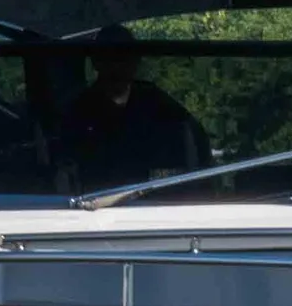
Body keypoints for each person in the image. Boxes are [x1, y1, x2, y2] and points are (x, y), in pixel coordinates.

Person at [52, 30, 208, 189]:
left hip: (152, 202)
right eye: (108, 59)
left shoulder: (155, 102)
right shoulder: (79, 110)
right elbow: (67, 170)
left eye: (123, 59)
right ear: (95, 62)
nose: (117, 67)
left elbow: (192, 138)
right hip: (94, 204)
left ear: (136, 62)